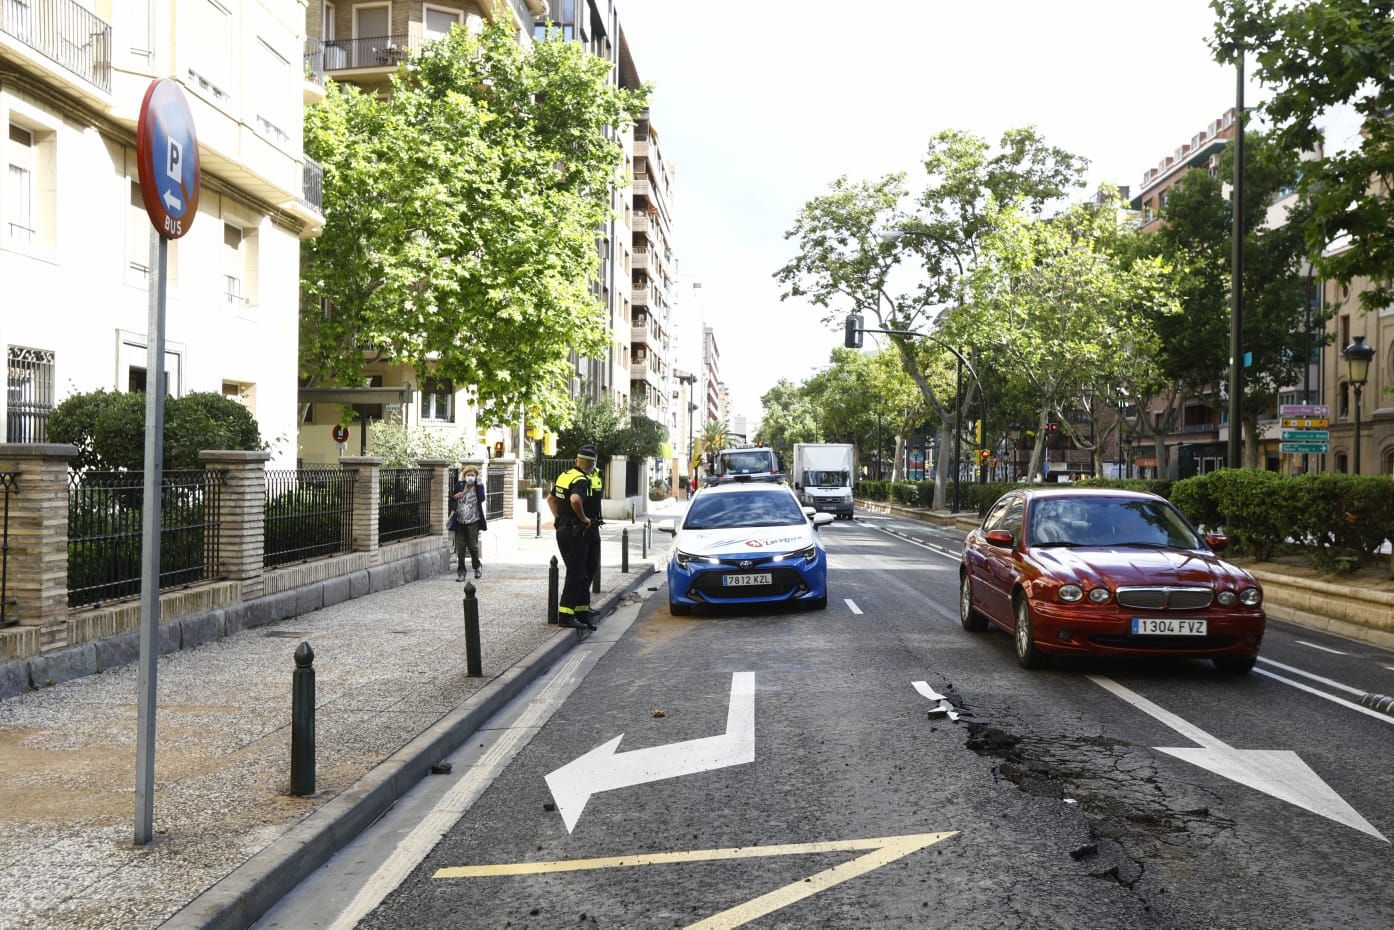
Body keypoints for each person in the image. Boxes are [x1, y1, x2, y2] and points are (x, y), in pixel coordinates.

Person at [548, 444, 602, 630]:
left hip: (568, 528)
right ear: (592, 463)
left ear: (576, 460)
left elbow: (551, 499)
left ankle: (580, 611)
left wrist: (559, 518)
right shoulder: (581, 480)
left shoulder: (566, 475)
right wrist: (582, 518)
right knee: (577, 573)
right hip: (576, 530)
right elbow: (575, 500)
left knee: (583, 572)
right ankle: (566, 615)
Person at [449, 466, 487, 581]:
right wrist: (455, 497)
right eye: (468, 475)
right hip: (459, 521)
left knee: (473, 546)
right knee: (460, 548)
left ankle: (477, 566)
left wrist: (479, 484)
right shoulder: (460, 485)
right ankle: (461, 573)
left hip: (473, 521)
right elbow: (451, 499)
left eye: (473, 475)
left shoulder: (478, 486)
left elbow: (481, 499)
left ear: (476, 476)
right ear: (464, 475)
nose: (470, 477)